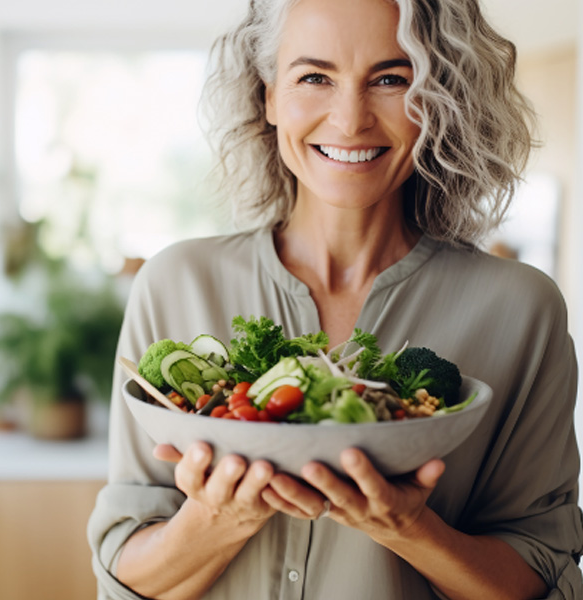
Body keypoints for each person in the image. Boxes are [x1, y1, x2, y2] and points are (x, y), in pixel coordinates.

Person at [87, 0, 583, 597]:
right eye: (314, 77)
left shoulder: (521, 309)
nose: (350, 121)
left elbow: (544, 574)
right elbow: (123, 570)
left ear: (439, 100)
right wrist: (218, 519)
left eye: (391, 78)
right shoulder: (176, 282)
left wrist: (408, 528)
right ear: (269, 95)